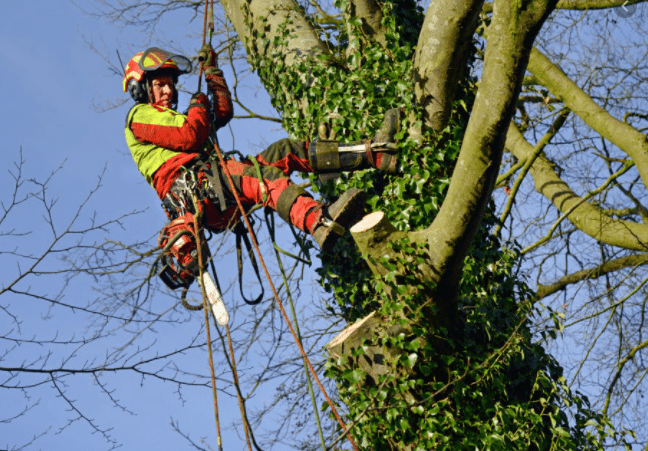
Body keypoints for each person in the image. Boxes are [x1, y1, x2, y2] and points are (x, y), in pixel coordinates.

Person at [123, 45, 399, 287]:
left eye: (171, 84)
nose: (170, 90)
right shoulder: (140, 117)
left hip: (215, 184)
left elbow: (220, 113)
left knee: (284, 151)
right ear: (141, 88)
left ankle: (373, 154)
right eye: (161, 84)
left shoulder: (179, 119)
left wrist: (212, 72)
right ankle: (317, 220)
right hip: (199, 190)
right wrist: (197, 105)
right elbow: (191, 135)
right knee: (260, 178)